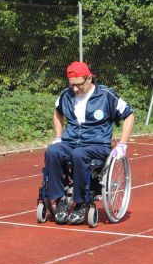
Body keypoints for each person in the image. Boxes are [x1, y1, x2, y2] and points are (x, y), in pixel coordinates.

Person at [43, 61, 135, 225]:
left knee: (78, 154)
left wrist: (122, 144)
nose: (75, 89)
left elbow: (129, 115)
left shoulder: (106, 95)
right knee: (52, 151)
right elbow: (57, 112)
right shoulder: (66, 95)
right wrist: (58, 136)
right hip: (71, 141)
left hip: (97, 144)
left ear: (89, 78)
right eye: (72, 85)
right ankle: (60, 199)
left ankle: (81, 203)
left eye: (78, 85)